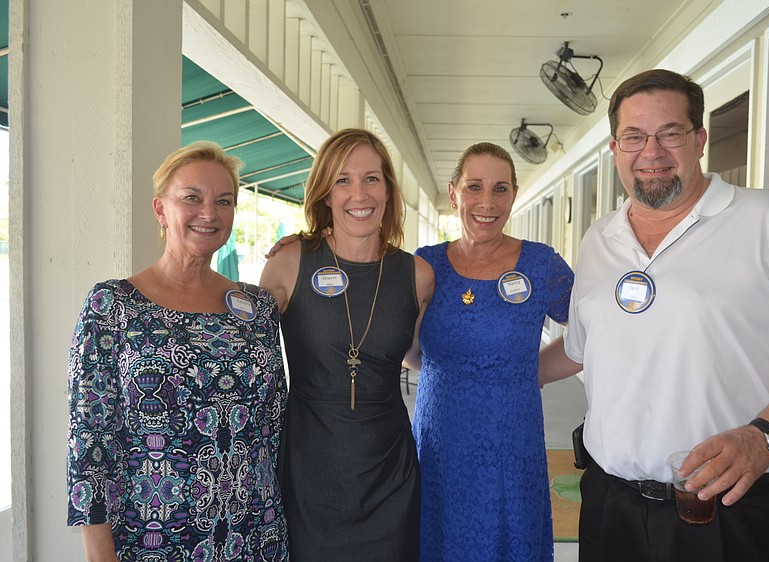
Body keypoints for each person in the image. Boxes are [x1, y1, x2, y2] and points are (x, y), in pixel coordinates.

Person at [539, 68, 769, 561]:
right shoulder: (601, 237)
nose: (652, 152)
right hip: (609, 505)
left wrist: (765, 439)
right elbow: (582, 348)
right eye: (634, 137)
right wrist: (488, 372)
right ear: (616, 147)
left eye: (670, 133)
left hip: (728, 509)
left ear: (699, 139)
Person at [67, 142, 289, 561]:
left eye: (224, 201)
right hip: (151, 539)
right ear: (160, 209)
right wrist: (100, 553)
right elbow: (89, 442)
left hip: (255, 536)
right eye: (192, 198)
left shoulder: (258, 309)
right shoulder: (112, 305)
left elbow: (274, 427)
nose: (209, 213)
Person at [259, 128, 434, 561]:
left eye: (372, 178)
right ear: (325, 193)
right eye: (343, 180)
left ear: (389, 191)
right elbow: (245, 355)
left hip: (389, 471)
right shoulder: (289, 263)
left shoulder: (418, 275)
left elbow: (419, 358)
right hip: (308, 469)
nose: (360, 193)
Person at [404, 142, 575, 561]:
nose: (486, 201)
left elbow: (596, 333)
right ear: (453, 193)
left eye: (500, 189)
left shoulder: (541, 264)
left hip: (512, 437)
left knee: (510, 534)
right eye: (474, 187)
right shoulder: (424, 266)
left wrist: (525, 372)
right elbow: (403, 348)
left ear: (514, 195)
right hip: (441, 435)